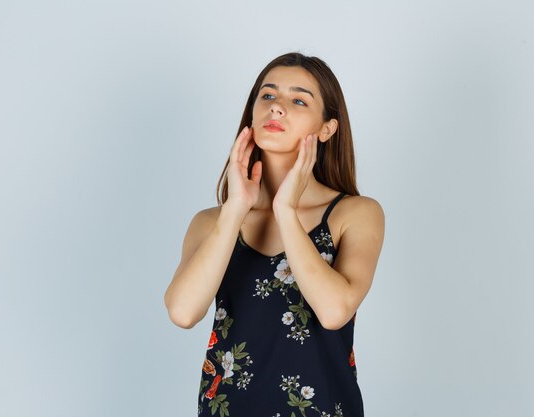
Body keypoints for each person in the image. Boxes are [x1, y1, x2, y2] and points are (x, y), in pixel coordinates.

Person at [164, 51, 385, 417]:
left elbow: (334, 312)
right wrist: (235, 209)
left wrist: (285, 210)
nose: (277, 108)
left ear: (327, 128)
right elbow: (183, 312)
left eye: (298, 100)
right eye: (267, 96)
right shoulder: (212, 222)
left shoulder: (355, 214)